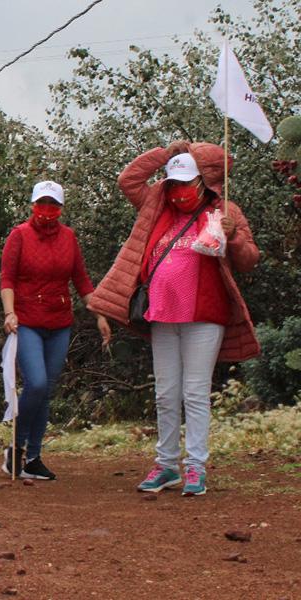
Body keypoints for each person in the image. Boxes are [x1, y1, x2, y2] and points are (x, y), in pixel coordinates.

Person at [88, 141, 260, 497]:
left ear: (203, 182)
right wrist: (170, 152)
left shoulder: (224, 212)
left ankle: (195, 468)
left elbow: (248, 260)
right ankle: (166, 465)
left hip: (204, 316)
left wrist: (233, 236)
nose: (179, 190)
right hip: (162, 316)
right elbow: (129, 179)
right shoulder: (157, 208)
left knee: (195, 392)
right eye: (174, 182)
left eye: (186, 182)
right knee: (166, 394)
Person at [0, 181, 111, 481]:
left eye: (52, 205)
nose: (46, 210)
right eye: (41, 204)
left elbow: (82, 280)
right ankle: (15, 447)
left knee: (45, 390)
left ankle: (33, 456)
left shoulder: (69, 237)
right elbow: (7, 278)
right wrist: (9, 313)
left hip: (59, 322)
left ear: (61, 208)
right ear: (33, 205)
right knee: (35, 384)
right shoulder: (19, 235)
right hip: (27, 321)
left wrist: (100, 314)